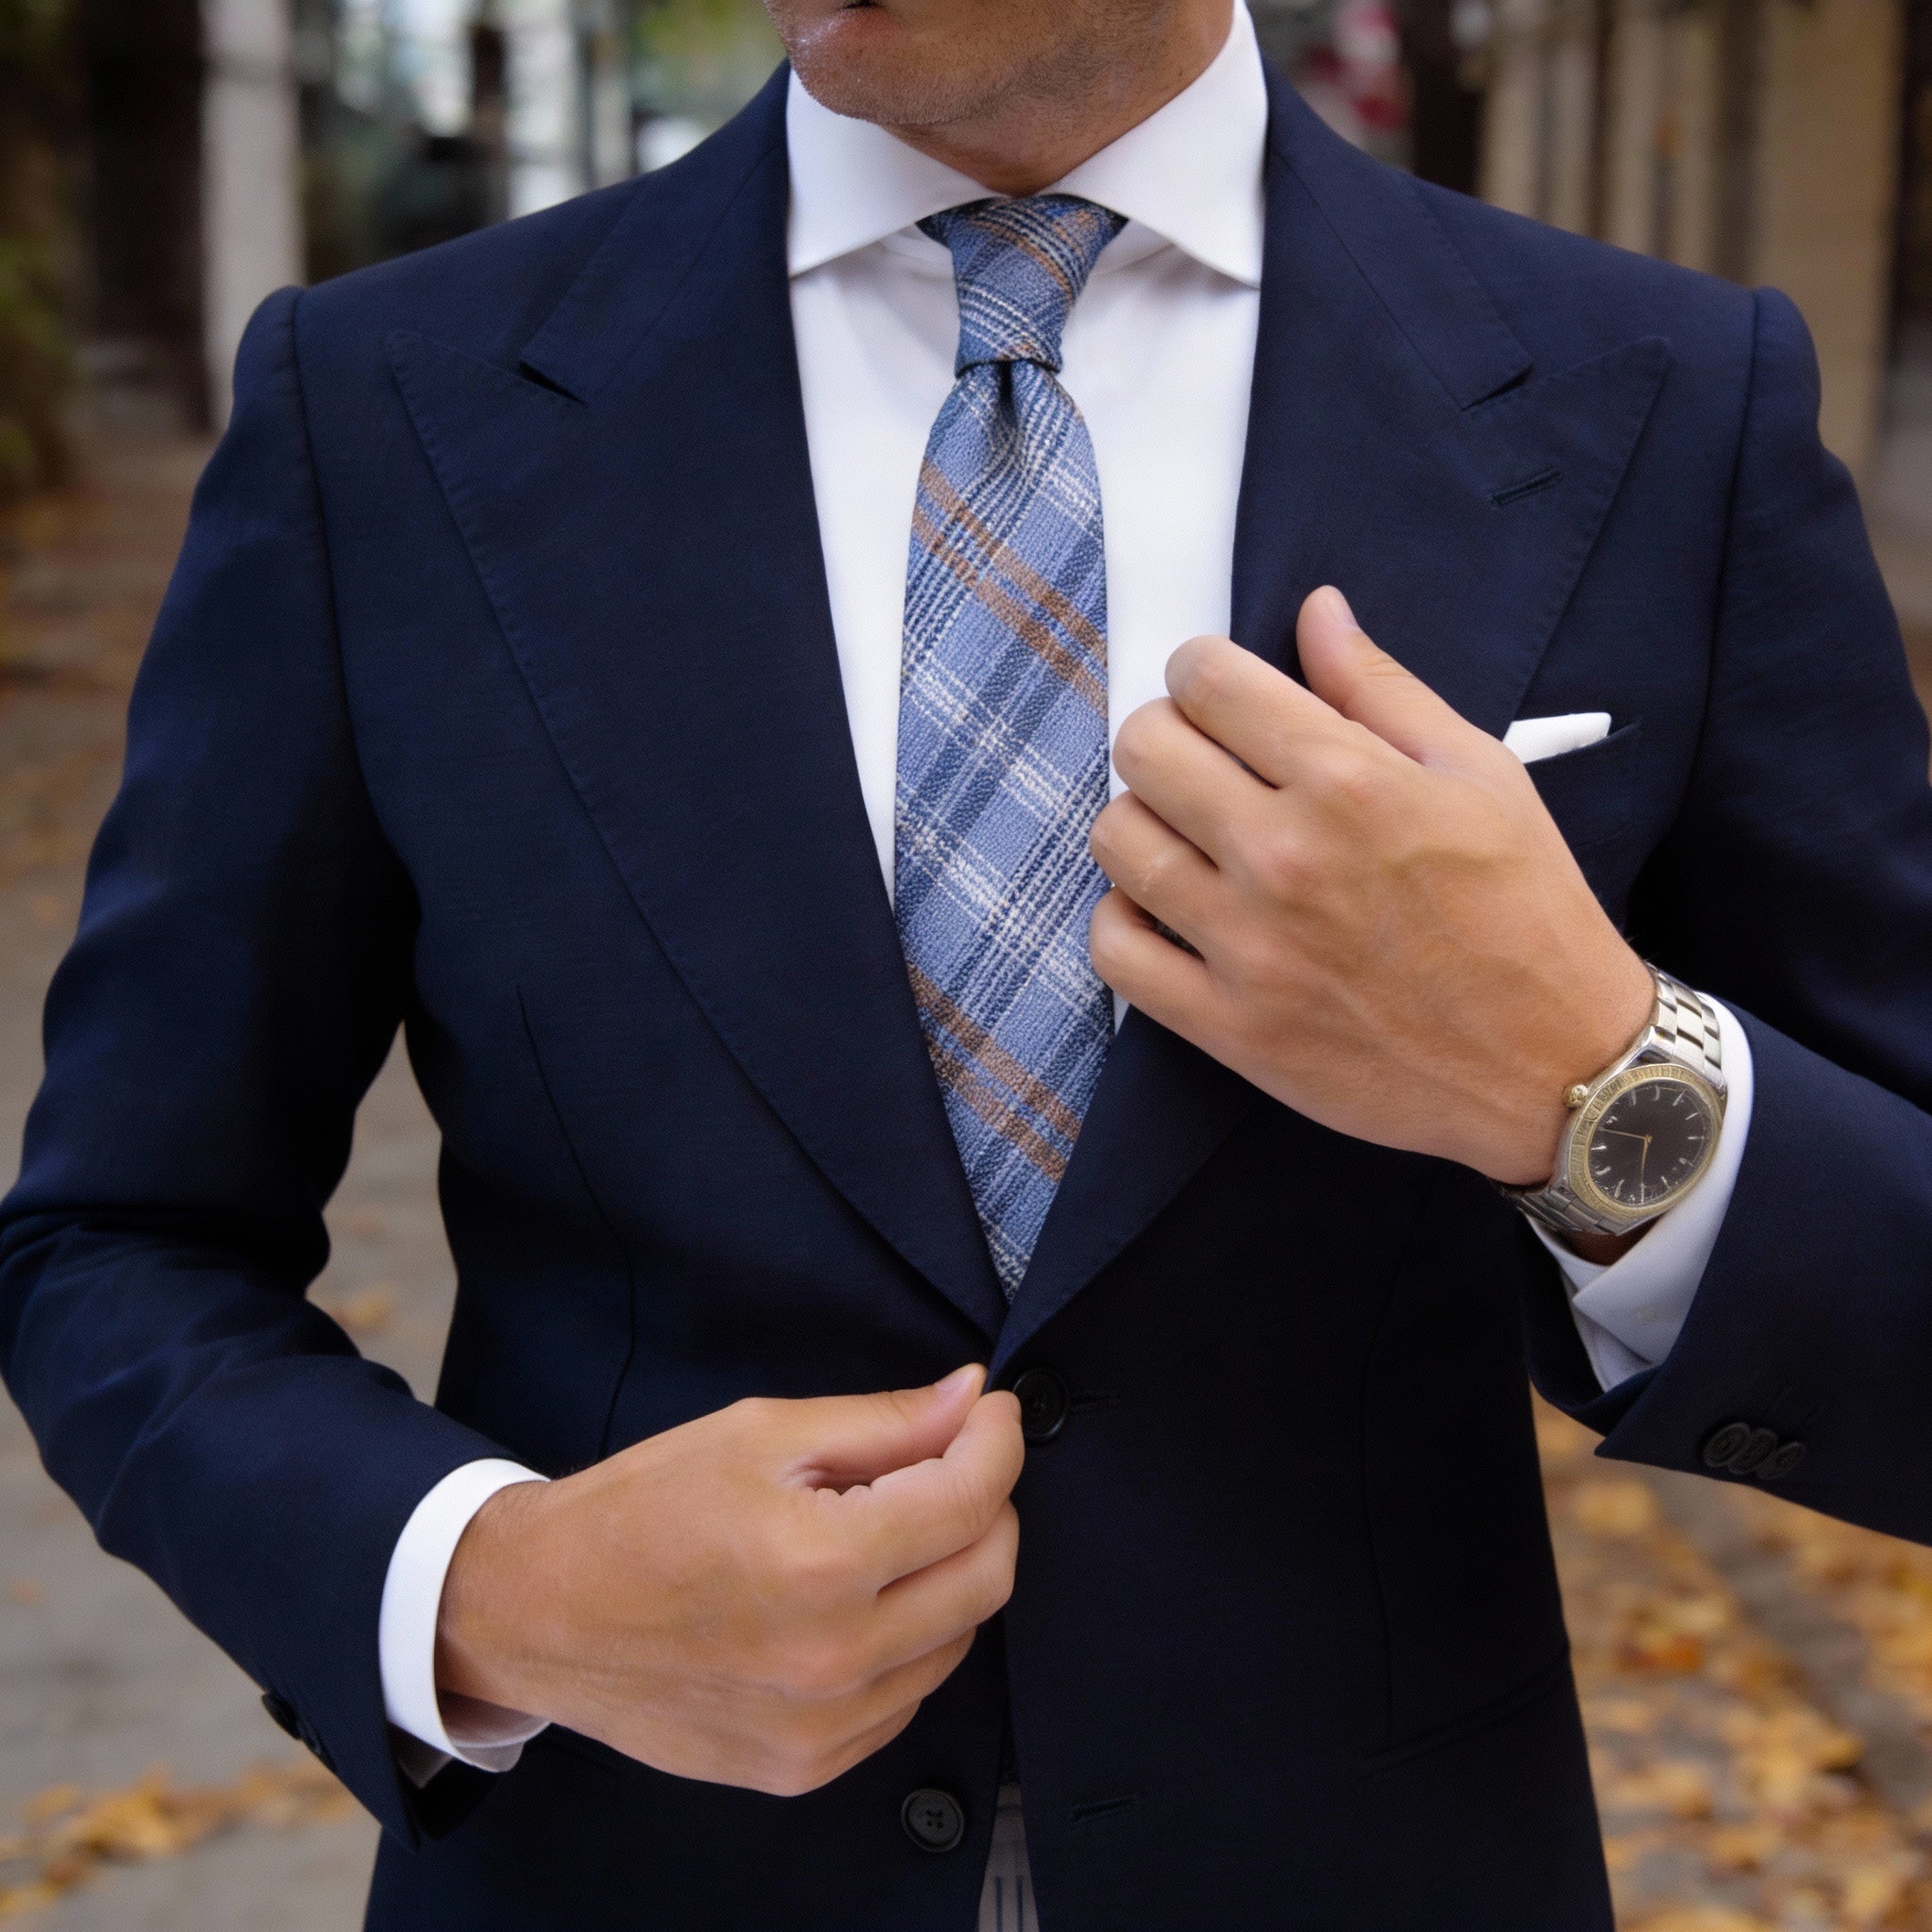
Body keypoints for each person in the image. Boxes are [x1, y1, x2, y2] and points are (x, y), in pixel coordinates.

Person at [3, 0, 1929, 1924]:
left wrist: (1589, 1079)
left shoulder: (1663, 396)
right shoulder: (386, 405)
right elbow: (115, 1239)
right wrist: (486, 1588)